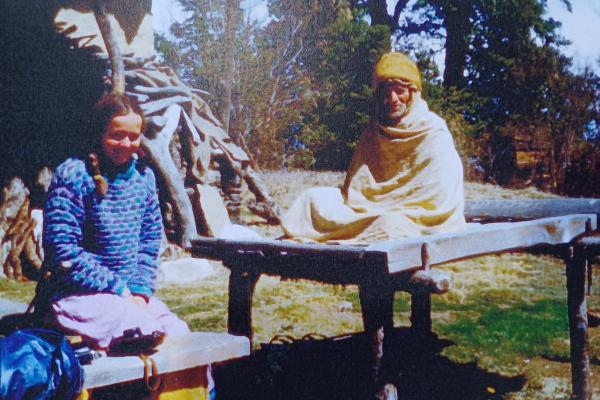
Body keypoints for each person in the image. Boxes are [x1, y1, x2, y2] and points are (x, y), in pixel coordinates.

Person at [34, 93, 190, 350]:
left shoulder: (144, 178)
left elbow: (149, 242)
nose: (126, 143)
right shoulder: (74, 175)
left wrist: (139, 291)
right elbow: (63, 252)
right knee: (144, 332)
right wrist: (118, 289)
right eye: (117, 135)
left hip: (129, 296)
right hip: (77, 296)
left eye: (133, 136)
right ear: (99, 133)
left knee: (180, 335)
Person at [281, 52, 467, 243]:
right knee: (312, 199)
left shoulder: (432, 130)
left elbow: (438, 199)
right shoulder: (373, 131)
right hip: (367, 210)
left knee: (390, 225)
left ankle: (354, 234)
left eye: (399, 91)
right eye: (386, 92)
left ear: (412, 93)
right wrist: (371, 206)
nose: (392, 98)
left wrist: (393, 208)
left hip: (412, 217)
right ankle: (353, 233)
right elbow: (356, 188)